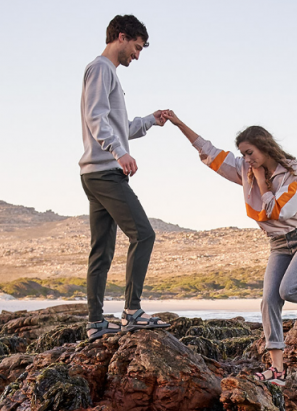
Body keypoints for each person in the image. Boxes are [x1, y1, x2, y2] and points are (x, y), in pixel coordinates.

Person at [163, 110, 297, 387]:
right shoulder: (245, 169)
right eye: (243, 155)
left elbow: (278, 212)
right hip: (278, 244)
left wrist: (260, 181)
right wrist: (178, 123)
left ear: (264, 146)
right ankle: (277, 370)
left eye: (250, 153)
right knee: (269, 300)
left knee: (289, 290)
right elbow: (209, 152)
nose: (247, 160)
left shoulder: (292, 172)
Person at [79, 15, 170, 342]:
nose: (138, 55)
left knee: (101, 251)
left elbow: (118, 127)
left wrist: (150, 120)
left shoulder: (107, 73)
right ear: (121, 36)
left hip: (94, 173)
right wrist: (119, 153)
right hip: (106, 172)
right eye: (137, 46)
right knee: (143, 235)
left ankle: (95, 322)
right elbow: (95, 118)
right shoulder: (101, 68)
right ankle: (132, 311)